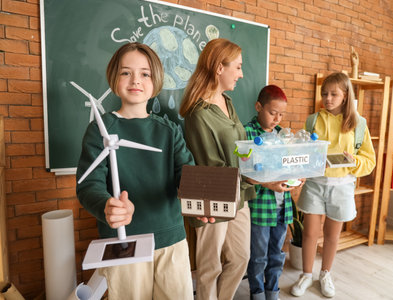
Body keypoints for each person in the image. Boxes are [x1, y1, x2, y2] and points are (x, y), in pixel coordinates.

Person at [76, 42, 195, 300]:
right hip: (123, 242)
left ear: (156, 81)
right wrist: (107, 205)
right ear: (114, 78)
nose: (135, 80)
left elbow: (186, 174)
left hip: (171, 240)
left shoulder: (169, 130)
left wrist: (203, 200)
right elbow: (89, 184)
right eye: (125, 72)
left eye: (145, 73)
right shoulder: (100, 129)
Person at [179, 38, 256, 300]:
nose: (242, 73)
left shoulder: (228, 102)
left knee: (241, 257)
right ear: (219, 68)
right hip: (213, 199)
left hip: (240, 196)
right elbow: (213, 166)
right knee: (210, 268)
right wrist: (260, 179)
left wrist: (262, 166)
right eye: (238, 66)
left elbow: (239, 149)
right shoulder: (198, 113)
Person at [290, 72, 376, 298]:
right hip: (316, 184)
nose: (328, 98)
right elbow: (302, 151)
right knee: (309, 234)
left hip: (342, 185)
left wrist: (354, 161)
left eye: (334, 94)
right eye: (324, 94)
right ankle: (306, 275)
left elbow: (369, 161)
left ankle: (325, 274)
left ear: (346, 95)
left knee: (332, 236)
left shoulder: (359, 125)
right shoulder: (313, 120)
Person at [244, 85, 303, 300]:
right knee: (259, 256)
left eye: (281, 114)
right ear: (259, 106)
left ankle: (273, 292)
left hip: (282, 205)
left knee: (277, 254)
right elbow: (244, 171)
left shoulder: (281, 135)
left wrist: (300, 173)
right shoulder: (247, 132)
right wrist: (268, 183)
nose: (277, 118)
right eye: (272, 112)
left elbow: (288, 164)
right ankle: (257, 293)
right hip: (260, 207)